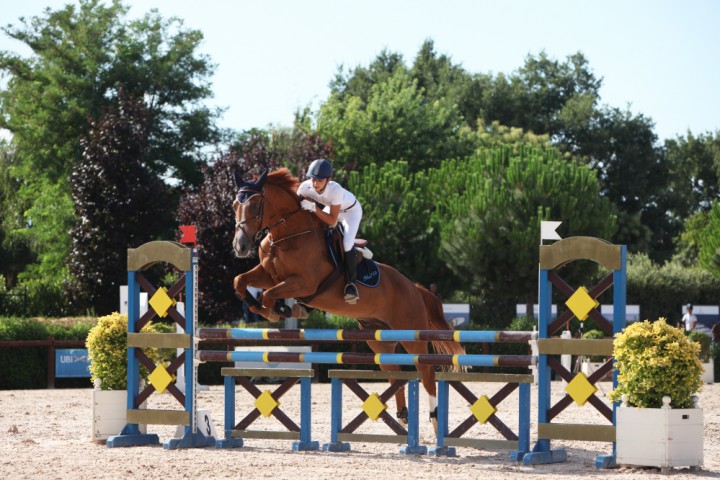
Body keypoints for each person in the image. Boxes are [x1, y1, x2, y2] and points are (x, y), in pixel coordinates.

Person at [297, 159, 363, 304]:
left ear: (329, 180)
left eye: (319, 180)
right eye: (313, 179)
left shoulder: (335, 190)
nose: (315, 184)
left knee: (346, 243)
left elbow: (332, 220)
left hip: (350, 211)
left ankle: (351, 284)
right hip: (332, 209)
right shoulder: (304, 188)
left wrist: (314, 208)